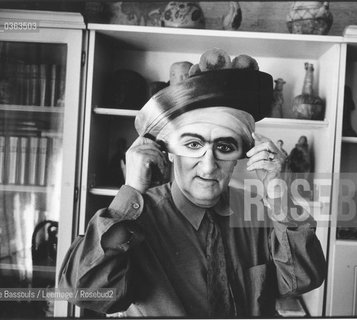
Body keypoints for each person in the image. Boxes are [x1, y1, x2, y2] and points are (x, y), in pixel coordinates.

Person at [58, 52, 326, 317]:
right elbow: (82, 292)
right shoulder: (135, 218)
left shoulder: (258, 213)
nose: (209, 166)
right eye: (193, 145)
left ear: (241, 157)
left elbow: (301, 280)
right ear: (169, 152)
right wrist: (131, 191)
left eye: (224, 147)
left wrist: (278, 190)